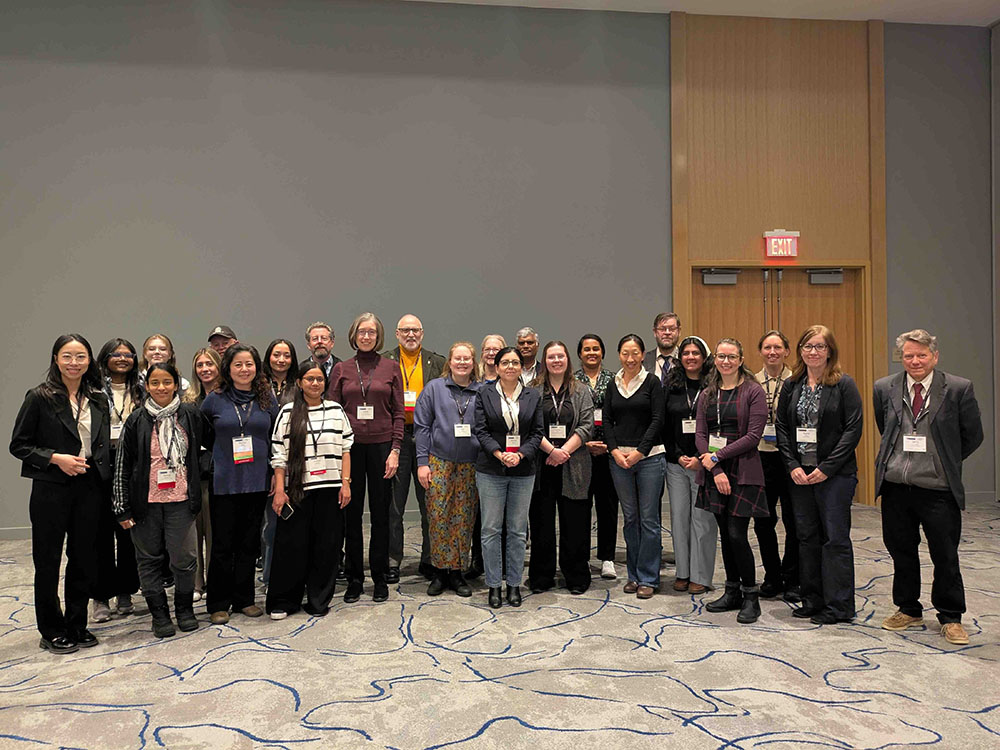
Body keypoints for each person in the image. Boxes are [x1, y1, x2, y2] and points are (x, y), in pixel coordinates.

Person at [874, 329, 983, 645]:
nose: (915, 360)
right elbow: (887, 429)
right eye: (908, 355)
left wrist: (943, 460)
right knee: (901, 551)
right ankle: (908, 608)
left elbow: (972, 435)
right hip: (896, 486)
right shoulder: (885, 387)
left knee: (945, 554)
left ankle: (950, 616)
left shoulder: (958, 388)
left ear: (935, 356)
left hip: (938, 488)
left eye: (921, 355)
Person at [10, 334, 111, 654]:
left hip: (89, 485)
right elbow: (19, 445)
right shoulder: (39, 397)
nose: (74, 363)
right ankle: (51, 629)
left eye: (80, 357)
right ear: (55, 359)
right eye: (67, 356)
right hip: (51, 488)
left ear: (89, 361)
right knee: (48, 560)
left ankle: (77, 624)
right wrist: (56, 459)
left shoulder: (97, 398)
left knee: (83, 557)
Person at [774, 325, 863, 625]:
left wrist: (826, 468)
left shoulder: (844, 384)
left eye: (820, 346)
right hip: (800, 475)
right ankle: (812, 599)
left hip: (835, 476)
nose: (813, 351)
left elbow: (852, 431)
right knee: (806, 537)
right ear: (799, 350)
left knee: (835, 539)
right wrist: (793, 466)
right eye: (808, 346)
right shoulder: (792, 385)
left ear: (830, 351)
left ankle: (838, 606)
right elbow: (782, 429)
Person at [112, 363, 203, 638]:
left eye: (167, 382)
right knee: (148, 560)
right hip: (145, 504)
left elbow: (205, 449)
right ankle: (160, 615)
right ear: (147, 386)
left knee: (185, 559)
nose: (161, 388)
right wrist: (121, 506)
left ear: (176, 384)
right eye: (155, 383)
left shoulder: (189, 415)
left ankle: (184, 609)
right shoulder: (137, 419)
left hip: (181, 501)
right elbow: (122, 466)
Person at [327, 313, 404, 604]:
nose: (367, 336)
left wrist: (396, 450)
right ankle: (355, 579)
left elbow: (398, 413)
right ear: (354, 335)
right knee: (351, 516)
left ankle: (380, 578)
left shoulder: (391, 367)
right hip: (350, 450)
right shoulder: (342, 369)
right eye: (362, 331)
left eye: (372, 332)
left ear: (379, 335)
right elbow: (333, 412)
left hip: (383, 448)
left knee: (381, 516)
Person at [267, 363, 354, 619]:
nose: (315, 384)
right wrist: (280, 491)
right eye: (309, 379)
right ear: (300, 382)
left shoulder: (336, 411)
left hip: (330, 488)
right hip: (297, 490)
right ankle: (284, 601)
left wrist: (346, 483)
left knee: (326, 547)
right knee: (291, 547)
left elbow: (346, 450)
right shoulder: (287, 412)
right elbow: (278, 456)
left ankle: (318, 599)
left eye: (319, 379)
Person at [201, 345, 278, 624]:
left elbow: (275, 438)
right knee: (222, 544)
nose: (244, 369)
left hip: (258, 480)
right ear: (228, 369)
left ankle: (244, 598)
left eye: (249, 364)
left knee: (249, 543)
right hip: (225, 481)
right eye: (238, 365)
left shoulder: (267, 398)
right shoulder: (214, 399)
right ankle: (218, 603)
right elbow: (203, 435)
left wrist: (273, 473)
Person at [695, 337, 768, 624]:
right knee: (725, 535)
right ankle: (732, 591)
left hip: (745, 470)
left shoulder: (753, 391)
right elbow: (700, 436)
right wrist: (715, 469)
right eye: (721, 356)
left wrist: (717, 458)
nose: (726, 361)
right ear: (715, 359)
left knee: (738, 534)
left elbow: (753, 436)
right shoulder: (707, 393)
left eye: (731, 356)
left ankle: (752, 596)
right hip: (717, 472)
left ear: (740, 359)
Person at [474, 347, 544, 608]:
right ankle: (494, 585)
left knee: (517, 531)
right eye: (506, 362)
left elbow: (537, 433)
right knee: (490, 529)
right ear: (497, 366)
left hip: (523, 470)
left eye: (515, 362)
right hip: (491, 469)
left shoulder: (532, 395)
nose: (511, 367)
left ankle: (513, 584)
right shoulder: (484, 393)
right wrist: (499, 453)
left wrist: (521, 455)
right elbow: (479, 431)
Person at [382, 314, 446, 583]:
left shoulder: (438, 361)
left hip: (427, 439)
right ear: (397, 334)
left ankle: (429, 559)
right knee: (394, 507)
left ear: (422, 333)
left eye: (415, 330)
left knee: (429, 504)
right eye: (405, 330)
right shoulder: (385, 360)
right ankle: (392, 559)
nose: (411, 335)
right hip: (396, 438)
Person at [414, 342, 482, 597]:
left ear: (473, 362)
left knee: (464, 519)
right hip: (439, 462)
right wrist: (423, 463)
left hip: (471, 464)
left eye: (467, 359)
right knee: (439, 516)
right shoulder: (434, 389)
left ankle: (457, 572)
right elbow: (422, 427)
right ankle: (440, 571)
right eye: (458, 358)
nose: (462, 363)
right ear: (450, 362)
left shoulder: (482, 391)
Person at [603, 334, 666, 600]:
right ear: (619, 355)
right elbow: (606, 420)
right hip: (619, 461)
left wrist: (640, 452)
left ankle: (649, 578)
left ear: (643, 355)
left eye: (635, 353)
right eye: (625, 353)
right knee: (630, 519)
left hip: (649, 458)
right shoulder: (612, 384)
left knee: (649, 520)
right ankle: (634, 575)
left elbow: (657, 419)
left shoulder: (652, 382)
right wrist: (615, 451)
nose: (630, 359)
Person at [529, 341, 594, 595]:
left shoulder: (581, 390)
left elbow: (587, 425)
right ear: (544, 361)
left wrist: (564, 451)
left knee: (575, 523)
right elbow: (530, 426)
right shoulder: (533, 389)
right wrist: (552, 451)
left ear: (567, 359)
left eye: (560, 356)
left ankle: (576, 576)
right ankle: (541, 576)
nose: (556, 360)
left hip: (574, 464)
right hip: (542, 465)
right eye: (551, 357)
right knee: (541, 524)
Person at [91, 338, 143, 622]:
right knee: (100, 533)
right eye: (116, 354)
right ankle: (100, 597)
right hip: (100, 465)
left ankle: (125, 591)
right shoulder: (94, 389)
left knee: (128, 532)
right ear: (105, 358)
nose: (123, 359)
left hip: (131, 464)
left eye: (128, 355)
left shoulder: (141, 389)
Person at [663, 336, 718, 595]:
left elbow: (717, 426)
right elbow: (663, 423)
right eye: (686, 353)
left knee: (703, 520)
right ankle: (683, 572)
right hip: (675, 463)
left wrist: (700, 457)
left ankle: (700, 574)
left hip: (703, 464)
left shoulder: (714, 387)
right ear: (680, 357)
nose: (691, 357)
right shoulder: (671, 386)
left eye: (696, 353)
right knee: (679, 519)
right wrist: (677, 455)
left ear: (704, 357)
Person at [754, 330, 800, 602]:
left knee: (794, 521)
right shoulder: (751, 381)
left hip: (789, 457)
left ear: (786, 351)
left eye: (778, 347)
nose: (772, 352)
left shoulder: (797, 380)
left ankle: (793, 577)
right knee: (763, 520)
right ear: (760, 351)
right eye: (767, 347)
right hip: (759, 457)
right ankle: (772, 576)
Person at [575, 334, 619, 580]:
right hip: (580, 452)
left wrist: (609, 445)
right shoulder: (572, 380)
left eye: (596, 349)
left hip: (608, 451)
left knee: (608, 506)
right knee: (580, 506)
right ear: (580, 354)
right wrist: (584, 442)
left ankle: (607, 558)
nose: (591, 353)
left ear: (602, 352)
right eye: (586, 349)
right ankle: (581, 556)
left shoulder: (614, 379)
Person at [182, 347, 222, 602]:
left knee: (216, 533)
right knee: (194, 532)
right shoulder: (188, 399)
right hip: (195, 473)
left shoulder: (228, 397)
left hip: (222, 471)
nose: (205, 369)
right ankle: (197, 583)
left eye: (210, 364)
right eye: (200, 365)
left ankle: (216, 581)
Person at [644, 312, 682, 385]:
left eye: (672, 329)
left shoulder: (686, 360)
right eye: (662, 329)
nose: (667, 333)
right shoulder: (644, 360)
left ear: (679, 331)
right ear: (655, 332)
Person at [263, 338, 299, 405]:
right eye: (276, 355)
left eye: (287, 356)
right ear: (269, 357)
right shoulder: (259, 382)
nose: (281, 360)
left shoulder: (298, 384)